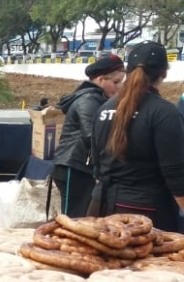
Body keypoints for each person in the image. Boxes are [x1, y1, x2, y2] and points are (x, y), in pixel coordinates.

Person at [91, 41, 184, 231]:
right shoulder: (164, 112)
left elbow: (97, 165)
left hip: (101, 207)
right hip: (145, 215)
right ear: (164, 73)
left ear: (128, 71)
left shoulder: (103, 109)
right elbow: (176, 174)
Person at [50, 55, 125, 218]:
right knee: (75, 219)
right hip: (74, 166)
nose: (120, 87)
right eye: (116, 82)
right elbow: (92, 135)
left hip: (80, 166)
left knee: (83, 218)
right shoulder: (89, 100)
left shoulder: (96, 99)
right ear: (101, 79)